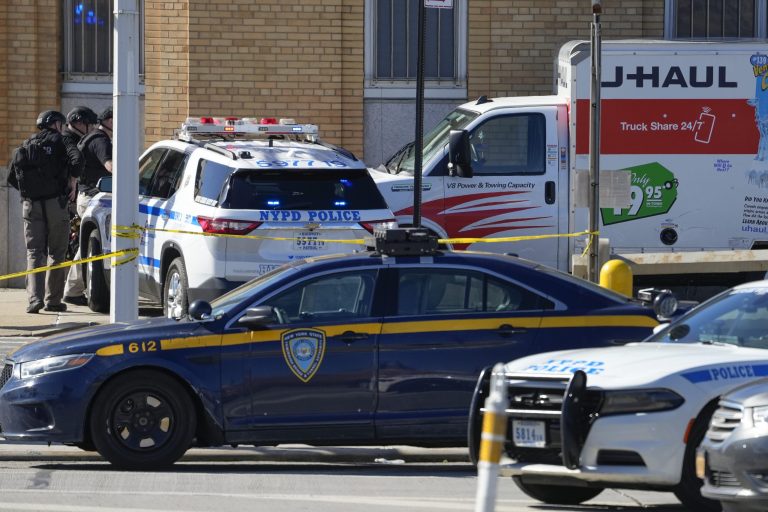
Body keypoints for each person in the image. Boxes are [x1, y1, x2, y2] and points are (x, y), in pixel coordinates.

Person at [7, 110, 84, 313]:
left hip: (30, 205)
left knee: (34, 252)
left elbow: (11, 178)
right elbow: (78, 160)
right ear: (57, 124)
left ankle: (34, 299)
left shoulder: (26, 144)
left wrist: (32, 191)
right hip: (56, 204)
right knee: (56, 252)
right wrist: (73, 182)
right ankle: (53, 300)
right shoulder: (62, 141)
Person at [62, 107, 98, 306]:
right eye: (88, 124)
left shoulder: (70, 138)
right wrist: (73, 184)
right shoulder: (70, 140)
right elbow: (76, 162)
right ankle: (71, 289)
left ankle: (70, 288)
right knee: (76, 245)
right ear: (77, 122)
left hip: (65, 199)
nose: (91, 127)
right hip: (69, 199)